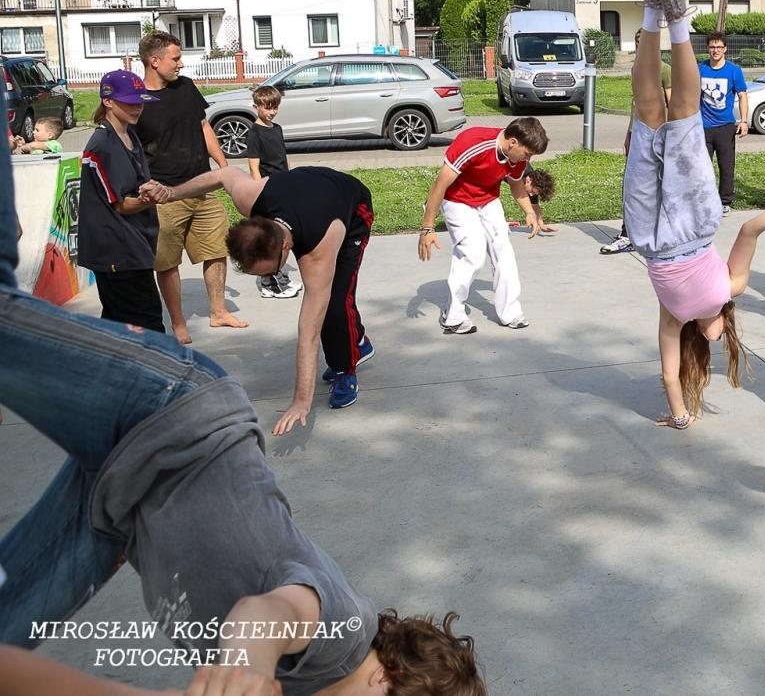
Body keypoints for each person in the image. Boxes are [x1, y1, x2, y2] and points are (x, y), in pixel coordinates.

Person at [0, 283, 486, 696]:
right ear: (388, 678)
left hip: (119, 502)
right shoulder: (343, 635)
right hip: (175, 420)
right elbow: (265, 614)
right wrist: (246, 667)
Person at [627, 0, 765, 428]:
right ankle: (678, 16)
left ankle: (652, 8)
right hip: (693, 226)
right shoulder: (730, 289)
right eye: (726, 334)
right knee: (684, 114)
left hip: (648, 236)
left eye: (714, 341)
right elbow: (748, 230)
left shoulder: (673, 319)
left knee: (648, 113)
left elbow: (670, 376)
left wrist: (681, 416)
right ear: (727, 321)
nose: (719, 335)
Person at [146, 166, 377, 432]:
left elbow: (308, 331)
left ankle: (345, 369)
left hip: (351, 205)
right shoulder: (251, 198)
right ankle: (356, 342)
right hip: (307, 191)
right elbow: (223, 174)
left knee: (335, 303)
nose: (269, 280)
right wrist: (171, 193)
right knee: (330, 308)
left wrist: (301, 401)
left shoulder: (318, 249)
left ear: (285, 248)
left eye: (271, 272)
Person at [135, 30, 247, 343]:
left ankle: (219, 312)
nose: (181, 64)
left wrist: (223, 169)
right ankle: (179, 323)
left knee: (217, 249)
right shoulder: (137, 100)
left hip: (203, 186)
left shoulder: (185, 87)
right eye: (175, 58)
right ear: (154, 61)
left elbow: (204, 126)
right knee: (167, 261)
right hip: (164, 195)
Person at [418, 118, 549, 334]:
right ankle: (453, 315)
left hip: (488, 199)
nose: (529, 159)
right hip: (456, 200)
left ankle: (510, 312)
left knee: (504, 251)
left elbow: (516, 184)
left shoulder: (517, 158)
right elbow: (439, 185)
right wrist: (428, 228)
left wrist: (529, 211)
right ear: (513, 142)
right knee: (472, 254)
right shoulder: (473, 142)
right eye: (528, 154)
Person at [79, 71, 163, 332]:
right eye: (129, 101)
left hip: (134, 244)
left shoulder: (129, 134)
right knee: (148, 327)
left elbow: (135, 186)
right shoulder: (102, 145)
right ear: (108, 101)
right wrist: (153, 197)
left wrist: (150, 189)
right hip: (118, 251)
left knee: (118, 327)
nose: (137, 107)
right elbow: (122, 204)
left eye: (140, 101)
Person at [600, 28, 671, 255]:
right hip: (638, 135)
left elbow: (673, 106)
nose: (642, 47)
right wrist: (629, 135)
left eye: (647, 42)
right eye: (638, 42)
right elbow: (635, 106)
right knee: (631, 187)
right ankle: (627, 234)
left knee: (661, 186)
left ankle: (661, 233)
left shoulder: (666, 70)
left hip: (659, 138)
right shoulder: (636, 70)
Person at [244, 84, 303, 300]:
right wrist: (260, 192)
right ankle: (271, 282)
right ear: (256, 106)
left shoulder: (276, 129)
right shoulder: (254, 133)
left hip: (283, 186)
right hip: (267, 189)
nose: (272, 111)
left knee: (282, 234)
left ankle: (272, 278)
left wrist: (290, 180)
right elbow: (253, 167)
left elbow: (282, 158)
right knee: (272, 237)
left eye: (275, 107)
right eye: (267, 107)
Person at [699, 31, 749, 215]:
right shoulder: (700, 68)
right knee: (702, 167)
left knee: (726, 166)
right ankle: (704, 200)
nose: (715, 50)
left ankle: (724, 201)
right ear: (707, 49)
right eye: (712, 47)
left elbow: (743, 96)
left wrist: (743, 121)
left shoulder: (734, 71)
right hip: (703, 127)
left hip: (725, 127)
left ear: (725, 49)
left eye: (719, 47)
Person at [527, 168, 557, 236]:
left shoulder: (533, 183)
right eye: (532, 191)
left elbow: (534, 205)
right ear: (529, 181)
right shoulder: (520, 175)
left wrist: (541, 225)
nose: (531, 195)